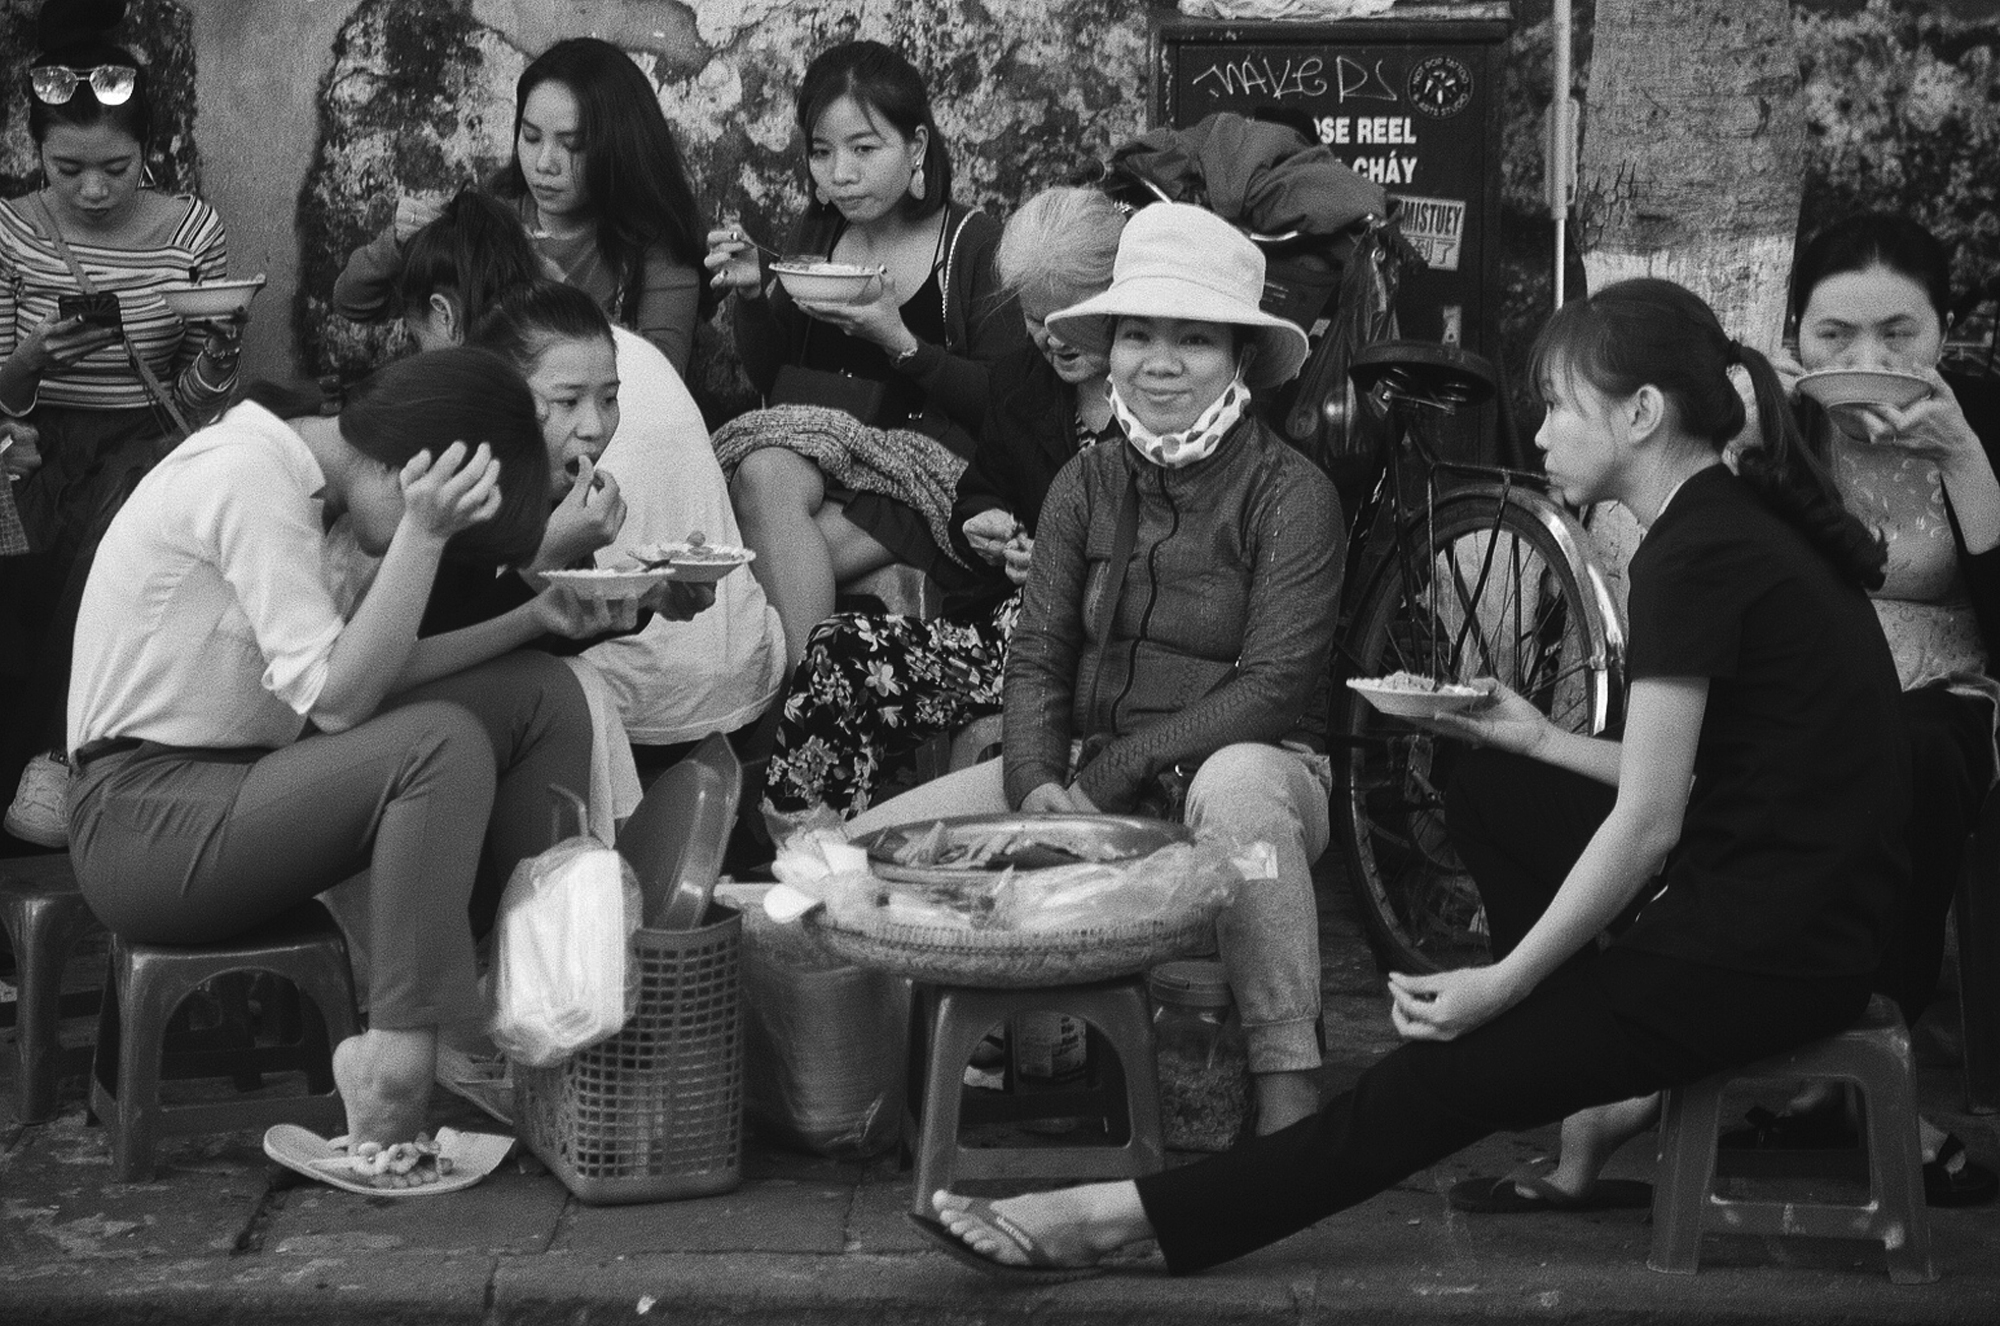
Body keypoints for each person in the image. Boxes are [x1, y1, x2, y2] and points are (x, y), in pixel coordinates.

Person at [918, 276, 1912, 1279]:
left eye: (1561, 405)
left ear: (1641, 414)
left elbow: (1649, 822)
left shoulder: (1694, 554)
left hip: (1765, 956)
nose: (1542, 434)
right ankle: (1570, 1053)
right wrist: (1530, 738)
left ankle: (1117, 1218)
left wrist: (1498, 986)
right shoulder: (1723, 525)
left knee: (1426, 1086)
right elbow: (1705, 778)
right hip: (1795, 920)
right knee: (1497, 784)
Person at [1447, 213, 2000, 1212]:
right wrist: (1533, 735)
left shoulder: (1979, 426)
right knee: (1489, 775)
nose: (1866, 358)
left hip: (1920, 723)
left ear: (1944, 332)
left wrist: (1963, 457)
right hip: (1750, 753)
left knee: (1914, 754)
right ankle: (1596, 1052)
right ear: (1790, 333)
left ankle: (1826, 1072)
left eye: (1898, 333)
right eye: (1834, 333)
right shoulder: (1763, 435)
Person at [845, 201, 1338, 1137]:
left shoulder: (1292, 493)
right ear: (1106, 349)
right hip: (1079, 769)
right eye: (1138, 335)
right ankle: (893, 1101)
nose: (1160, 362)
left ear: (1237, 358)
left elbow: (1275, 685)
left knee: (1237, 788)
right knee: (866, 863)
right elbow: (1037, 655)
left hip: (1253, 779)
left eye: (1193, 339)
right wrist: (1037, 787)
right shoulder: (1086, 482)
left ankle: (1290, 1096)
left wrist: (1109, 775)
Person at [65, 348, 631, 1159]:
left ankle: (534, 1009)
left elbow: (351, 680)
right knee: (438, 743)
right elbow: (338, 700)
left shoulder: (298, 480)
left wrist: (535, 618)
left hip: (241, 787)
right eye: (441, 517)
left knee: (538, 694)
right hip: (141, 824)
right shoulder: (249, 475)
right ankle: (397, 1062)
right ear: (412, 470)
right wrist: (425, 536)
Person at [763, 185, 1125, 816]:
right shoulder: (1022, 383)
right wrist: (984, 526)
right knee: (838, 650)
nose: (1052, 340)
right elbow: (979, 490)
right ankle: (809, 855)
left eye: (1072, 319)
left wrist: (1061, 560)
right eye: (1035, 320)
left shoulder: (1155, 395)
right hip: (1010, 630)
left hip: (1099, 648)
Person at [3, 1, 245, 846]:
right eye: (69, 169)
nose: (95, 189)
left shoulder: (192, 232)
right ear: (34, 151)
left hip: (147, 438)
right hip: (33, 435)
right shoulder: (11, 230)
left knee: (112, 546)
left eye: (117, 165)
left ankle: (53, 760)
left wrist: (219, 346)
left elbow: (196, 403)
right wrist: (32, 361)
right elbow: (1, 391)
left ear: (149, 150)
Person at [704, 39, 1024, 668]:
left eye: (863, 148)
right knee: (764, 474)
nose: (839, 174)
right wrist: (752, 296)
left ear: (918, 148)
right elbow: (776, 378)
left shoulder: (972, 245)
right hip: (829, 457)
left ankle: (796, 712)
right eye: (821, 152)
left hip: (930, 478)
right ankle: (813, 706)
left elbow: (1005, 403)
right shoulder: (820, 236)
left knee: (746, 561)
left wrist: (899, 341)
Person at [332, 37, 708, 376]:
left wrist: (553, 282)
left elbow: (662, 377)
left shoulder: (656, 247)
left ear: (618, 147)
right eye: (530, 137)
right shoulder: (495, 217)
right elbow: (355, 303)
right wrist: (398, 243)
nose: (545, 163)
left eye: (572, 145)